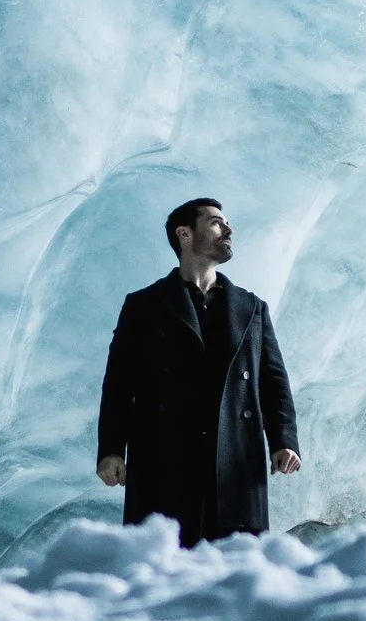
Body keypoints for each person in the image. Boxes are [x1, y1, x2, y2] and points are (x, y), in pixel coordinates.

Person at [96, 195, 301, 543]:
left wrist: (284, 440)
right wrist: (111, 450)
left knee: (237, 571)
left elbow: (273, 380)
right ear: (184, 234)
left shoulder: (252, 308)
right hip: (164, 460)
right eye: (216, 222)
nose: (228, 228)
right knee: (160, 569)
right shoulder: (143, 305)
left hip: (235, 459)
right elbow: (118, 383)